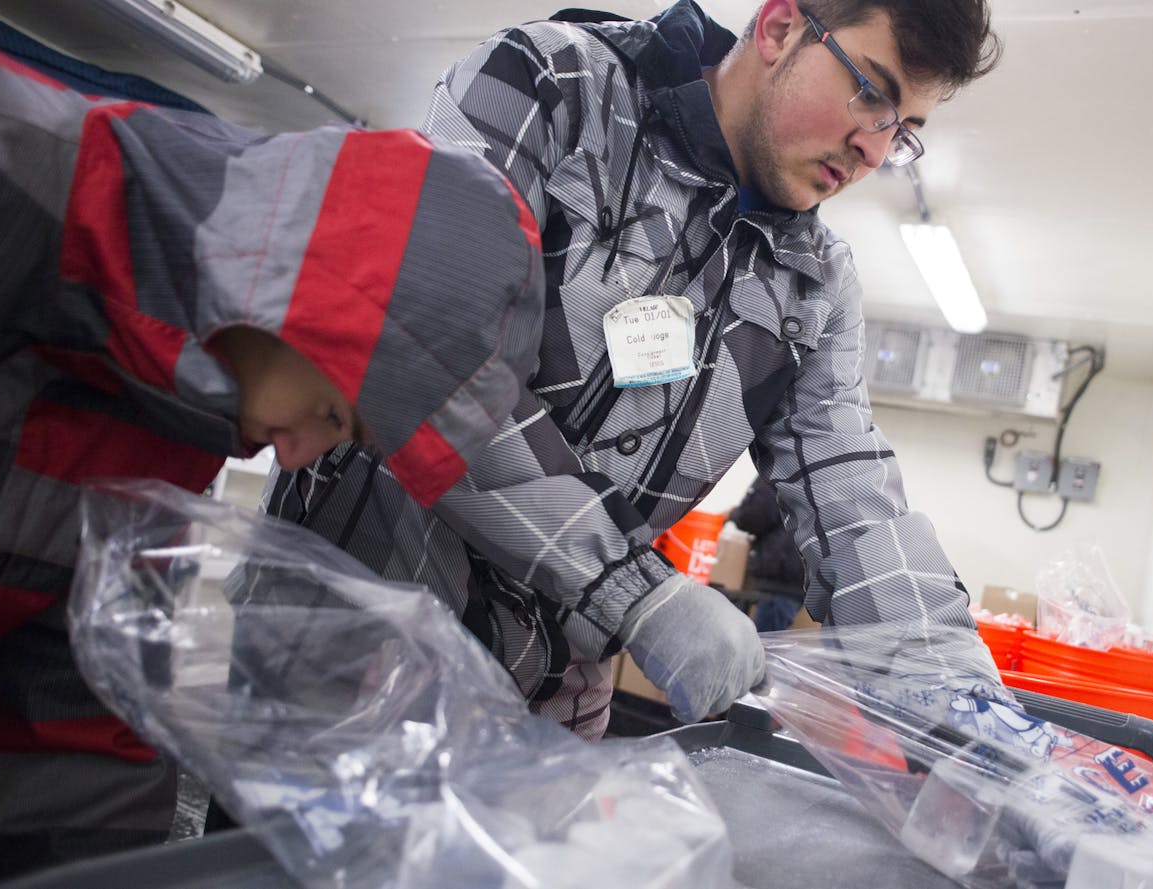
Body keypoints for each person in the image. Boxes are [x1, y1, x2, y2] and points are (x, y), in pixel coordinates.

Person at [265, 0, 1004, 738]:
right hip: (342, 661)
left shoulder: (814, 286)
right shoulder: (550, 86)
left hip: (534, 720)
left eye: (901, 131)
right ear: (779, 29)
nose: (874, 150)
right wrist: (634, 591)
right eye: (870, 93)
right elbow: (433, 349)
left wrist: (972, 714)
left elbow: (855, 502)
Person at [0, 29, 543, 883]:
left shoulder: (180, 421)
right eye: (337, 413)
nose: (301, 458)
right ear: (307, 295)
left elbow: (76, 715)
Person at [728, 478, 807, 633]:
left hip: (780, 581)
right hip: (796, 578)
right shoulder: (809, 470)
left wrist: (733, 514)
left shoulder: (777, 471)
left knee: (763, 646)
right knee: (769, 644)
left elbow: (753, 517)